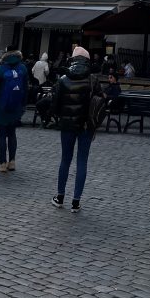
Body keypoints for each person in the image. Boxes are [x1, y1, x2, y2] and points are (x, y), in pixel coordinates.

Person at [50, 46, 99, 211]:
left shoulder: (63, 79)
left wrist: (62, 116)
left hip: (67, 125)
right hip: (86, 125)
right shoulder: (93, 80)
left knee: (65, 159)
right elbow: (100, 102)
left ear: (72, 60)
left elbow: (55, 105)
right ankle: (76, 201)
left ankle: (60, 196)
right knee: (82, 162)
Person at [0, 49, 29, 172]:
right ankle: (12, 161)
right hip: (16, 105)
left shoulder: (0, 70)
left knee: (2, 135)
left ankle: (2, 163)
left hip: (1, 106)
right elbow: (26, 88)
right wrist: (23, 104)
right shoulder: (23, 68)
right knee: (12, 134)